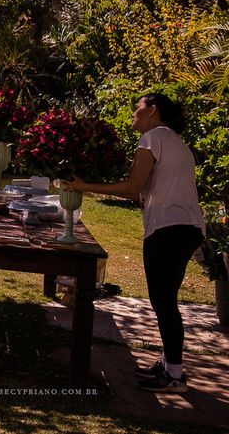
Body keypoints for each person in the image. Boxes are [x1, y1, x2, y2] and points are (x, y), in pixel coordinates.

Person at [65, 92, 205, 394]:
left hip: (169, 228)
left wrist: (82, 186)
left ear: (152, 110)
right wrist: (91, 186)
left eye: (137, 108)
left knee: (164, 302)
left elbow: (132, 185)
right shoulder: (174, 141)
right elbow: (135, 193)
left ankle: (175, 376)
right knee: (166, 300)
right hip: (188, 227)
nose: (132, 115)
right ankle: (170, 364)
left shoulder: (152, 138)